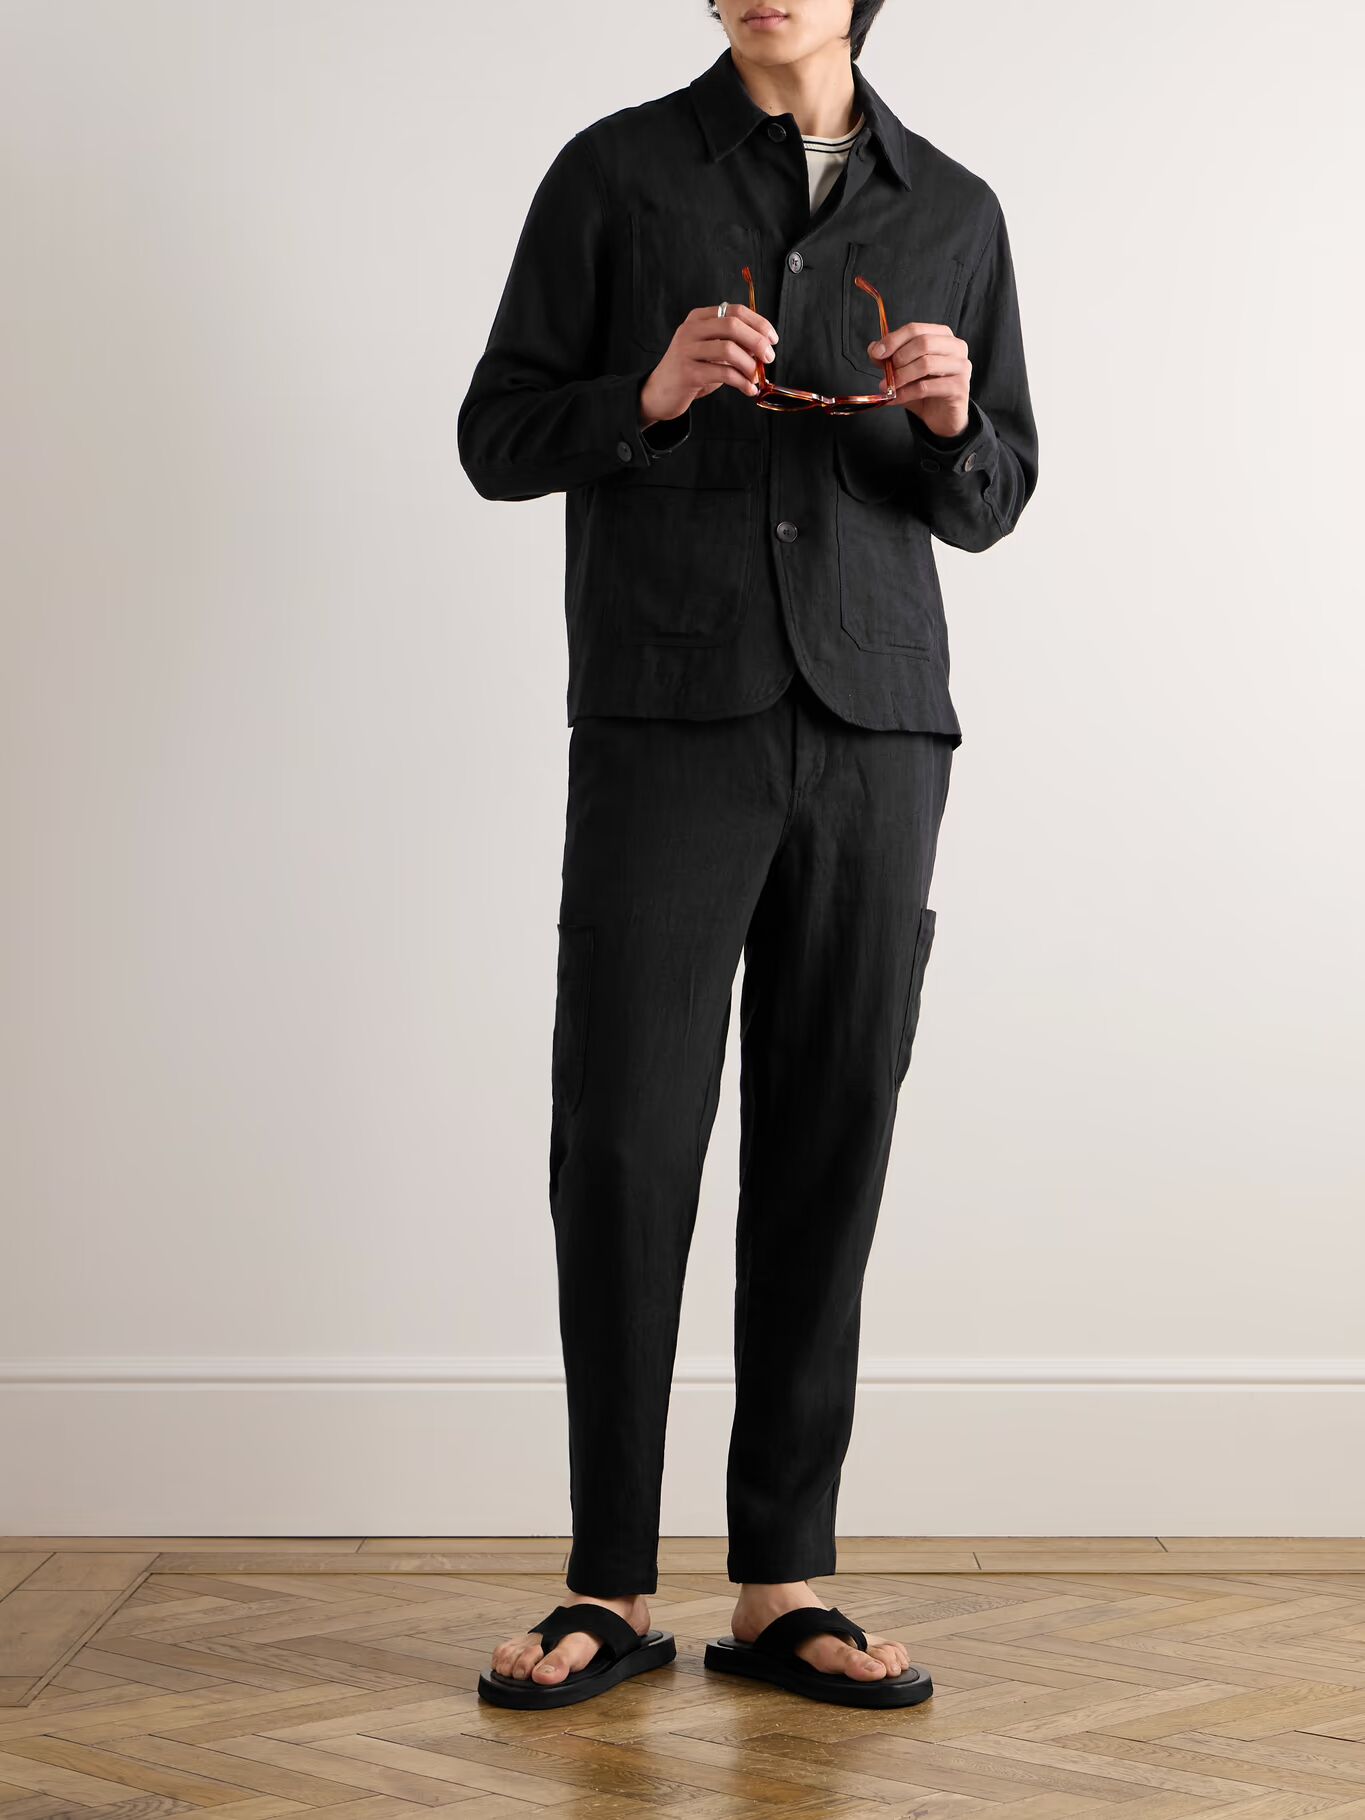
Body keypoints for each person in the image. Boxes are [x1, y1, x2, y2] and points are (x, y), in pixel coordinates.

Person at [457, 0, 1038, 1710]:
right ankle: (608, 1585)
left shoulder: (954, 208)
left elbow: (995, 494)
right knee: (626, 1139)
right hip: (667, 714)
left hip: (876, 726)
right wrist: (643, 395)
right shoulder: (615, 174)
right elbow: (495, 437)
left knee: (827, 1138)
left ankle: (784, 1582)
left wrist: (950, 423)